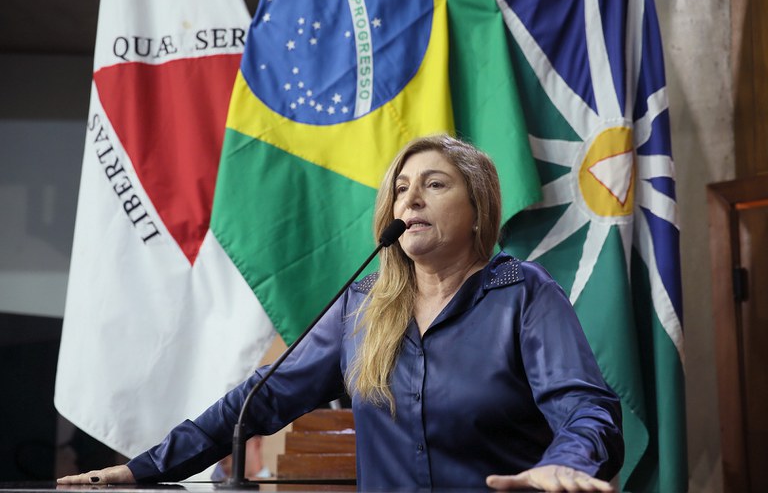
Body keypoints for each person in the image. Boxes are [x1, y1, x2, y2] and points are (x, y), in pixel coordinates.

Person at [58, 134, 623, 491]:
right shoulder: (363, 306)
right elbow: (258, 400)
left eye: (434, 185)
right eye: (401, 189)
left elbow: (586, 409)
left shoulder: (522, 293)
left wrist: (565, 464)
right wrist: (143, 468)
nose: (410, 199)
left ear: (478, 210)